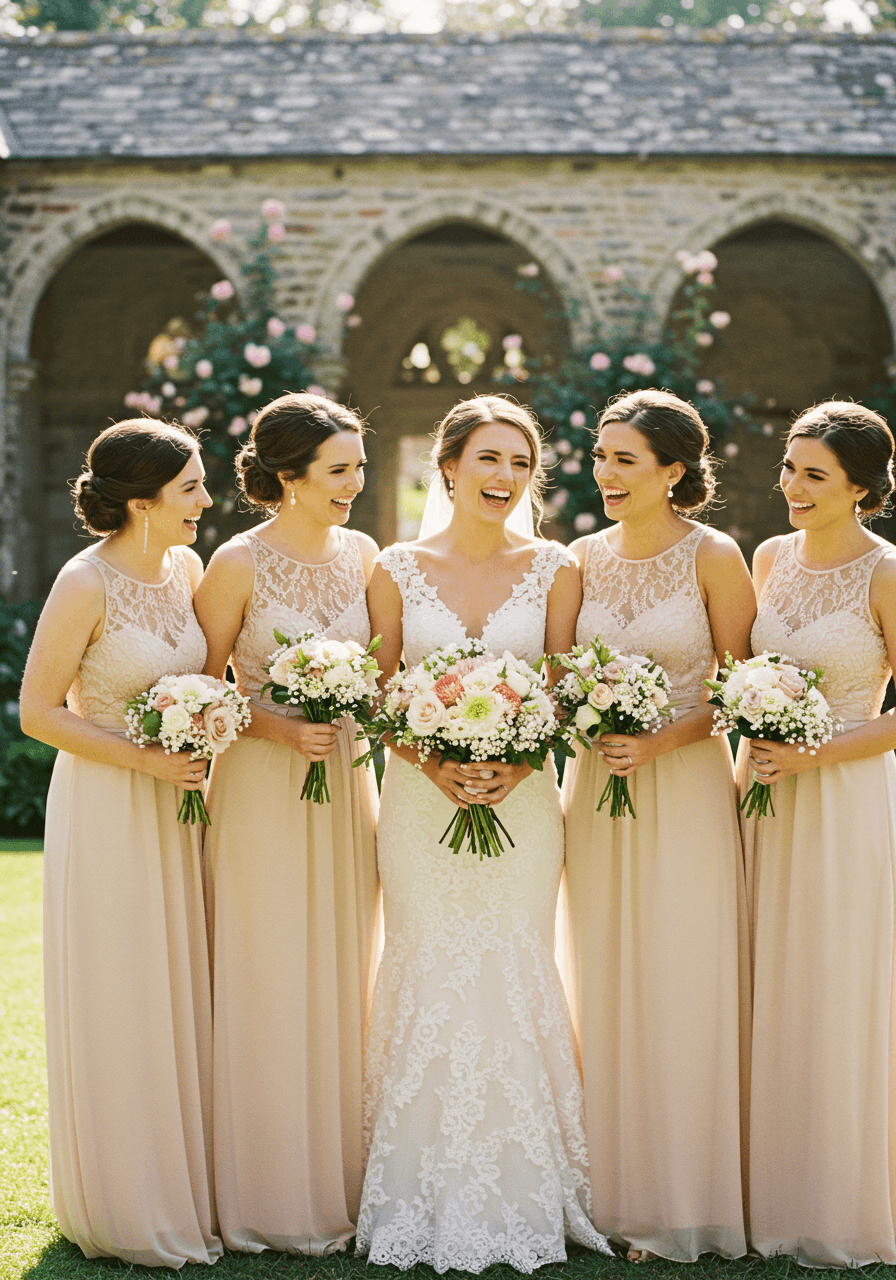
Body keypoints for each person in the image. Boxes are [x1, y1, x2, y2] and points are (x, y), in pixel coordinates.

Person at [356, 394, 611, 1273]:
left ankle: (527, 1188)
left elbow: (565, 689)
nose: (505, 477)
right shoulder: (394, 567)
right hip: (421, 804)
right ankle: (413, 1188)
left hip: (526, 799)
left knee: (512, 961)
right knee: (426, 962)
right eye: (489, 459)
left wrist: (517, 762)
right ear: (450, 466)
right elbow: (381, 695)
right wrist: (434, 764)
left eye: (520, 463)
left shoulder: (555, 568)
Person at [20, 418, 221, 1267]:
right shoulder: (83, 582)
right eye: (191, 489)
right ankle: (123, 1200)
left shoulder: (187, 568)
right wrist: (144, 757)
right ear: (141, 502)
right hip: (108, 801)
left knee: (176, 985)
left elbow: (211, 674)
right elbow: (38, 714)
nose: (207, 502)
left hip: (179, 809)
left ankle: (182, 1181)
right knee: (121, 990)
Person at [561, 389, 754, 1262]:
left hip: (685, 794)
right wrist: (594, 724)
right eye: (600, 457)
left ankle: (681, 1195)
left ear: (674, 471)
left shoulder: (716, 556)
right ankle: (603, 1190)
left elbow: (745, 692)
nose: (604, 473)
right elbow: (559, 677)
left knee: (683, 977)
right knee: (599, 973)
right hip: (595, 791)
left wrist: (664, 736)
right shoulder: (578, 560)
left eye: (623, 460)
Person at [194, 393, 380, 1254]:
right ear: (288, 476)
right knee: (267, 967)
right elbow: (193, 692)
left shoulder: (367, 555)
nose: (355, 484)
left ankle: (339, 1175)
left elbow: (382, 671)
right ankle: (264, 1186)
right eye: (339, 471)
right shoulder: (235, 562)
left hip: (343, 783)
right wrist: (273, 721)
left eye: (358, 468)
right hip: (263, 785)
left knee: (343, 964)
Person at [742, 401, 896, 1266]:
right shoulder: (768, 558)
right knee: (769, 978)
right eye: (790, 470)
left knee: (835, 985)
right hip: (762, 792)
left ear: (862, 490)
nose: (791, 488)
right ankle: (767, 1192)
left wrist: (818, 752)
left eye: (813, 475)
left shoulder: (886, 574)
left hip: (841, 798)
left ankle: (835, 1202)